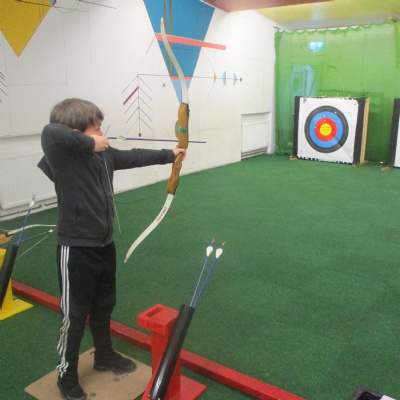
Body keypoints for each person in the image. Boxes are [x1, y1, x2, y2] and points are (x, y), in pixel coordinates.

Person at [37, 98, 187, 400]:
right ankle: (66, 374)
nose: (101, 132)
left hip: (104, 246)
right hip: (75, 250)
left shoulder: (103, 155)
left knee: (104, 305)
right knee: (74, 316)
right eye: (96, 127)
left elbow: (133, 156)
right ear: (78, 132)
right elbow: (50, 131)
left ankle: (104, 355)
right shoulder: (63, 155)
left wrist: (170, 154)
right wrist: (89, 143)